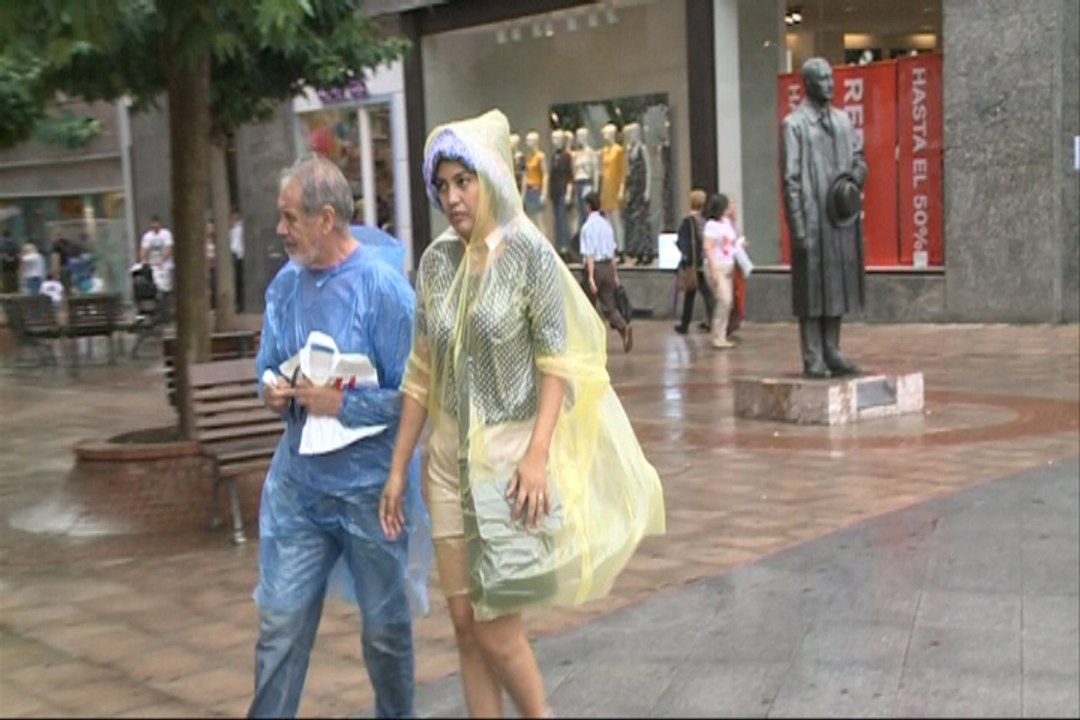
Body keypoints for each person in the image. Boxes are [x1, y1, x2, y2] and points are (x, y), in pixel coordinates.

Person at [379, 109, 665, 719]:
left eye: (464, 181)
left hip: (506, 465)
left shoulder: (530, 255)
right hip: (446, 469)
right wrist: (399, 467)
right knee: (463, 624)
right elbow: (420, 371)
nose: (453, 197)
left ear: (492, 178)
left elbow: (556, 361)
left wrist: (538, 456)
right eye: (444, 186)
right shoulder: (435, 264)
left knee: (497, 626)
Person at [249, 154, 431, 719]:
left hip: (371, 493)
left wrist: (342, 404)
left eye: (289, 218)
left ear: (325, 218)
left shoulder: (383, 292)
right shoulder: (285, 290)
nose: (280, 230)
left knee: (384, 631)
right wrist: (272, 388)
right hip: (299, 491)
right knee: (279, 626)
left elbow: (416, 396)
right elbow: (267, 364)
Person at [781, 56, 868, 378]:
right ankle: (813, 355)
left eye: (832, 78)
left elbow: (860, 157)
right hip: (813, 218)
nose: (831, 84)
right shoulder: (794, 125)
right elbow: (790, 180)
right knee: (812, 291)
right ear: (808, 83)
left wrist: (857, 176)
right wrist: (798, 228)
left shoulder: (844, 121)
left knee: (838, 286)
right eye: (823, 79)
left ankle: (833, 349)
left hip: (841, 218)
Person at [579, 191, 632, 353]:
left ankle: (590, 339)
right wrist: (615, 275)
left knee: (586, 304)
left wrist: (590, 277)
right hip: (608, 267)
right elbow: (612, 252)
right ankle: (623, 327)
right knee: (609, 306)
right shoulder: (607, 225)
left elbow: (589, 254)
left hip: (595, 268)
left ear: (588, 206)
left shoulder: (587, 227)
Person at [702, 193, 745, 349]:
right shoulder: (711, 226)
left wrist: (739, 243)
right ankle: (717, 335)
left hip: (728, 265)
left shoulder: (726, 222)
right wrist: (713, 269)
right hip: (717, 266)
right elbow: (709, 247)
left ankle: (722, 333)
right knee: (724, 299)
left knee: (728, 302)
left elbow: (730, 241)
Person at [673, 189, 715, 335]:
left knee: (693, 294)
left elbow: (681, 243)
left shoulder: (687, 222)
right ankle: (711, 321)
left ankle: (686, 324)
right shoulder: (704, 222)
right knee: (704, 293)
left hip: (692, 264)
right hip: (702, 261)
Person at [140, 215, 174, 323]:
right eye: (153, 223)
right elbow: (144, 249)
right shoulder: (148, 236)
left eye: (156, 223)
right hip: (153, 267)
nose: (155, 225)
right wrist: (143, 261)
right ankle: (155, 313)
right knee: (153, 289)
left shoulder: (166, 234)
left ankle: (166, 314)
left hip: (165, 266)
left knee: (165, 290)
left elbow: (168, 248)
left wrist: (162, 260)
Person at [230, 209, 246, 312]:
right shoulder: (231, 228)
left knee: (239, 281)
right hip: (233, 255)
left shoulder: (241, 228)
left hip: (239, 255)